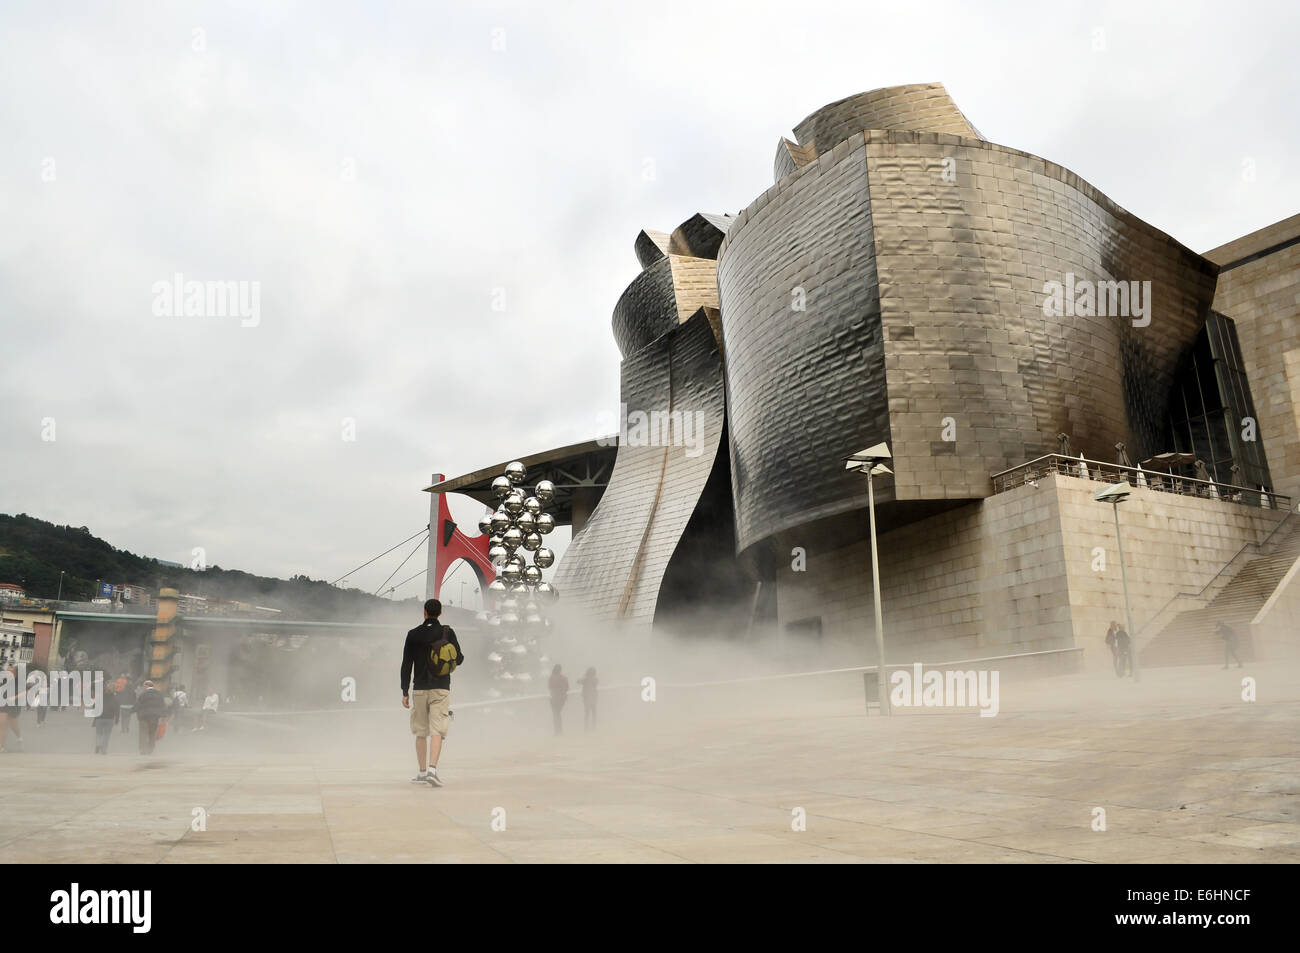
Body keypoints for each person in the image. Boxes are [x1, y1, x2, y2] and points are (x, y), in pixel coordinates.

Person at [400, 599, 464, 787]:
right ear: (440, 613)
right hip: (441, 687)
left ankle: (421, 773)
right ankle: (432, 771)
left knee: (421, 731)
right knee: (438, 729)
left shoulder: (413, 634)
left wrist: (405, 691)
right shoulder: (447, 632)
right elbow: (459, 659)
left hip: (419, 688)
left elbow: (406, 664)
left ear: (425, 612)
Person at [135, 680, 168, 755]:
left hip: (143, 717)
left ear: (146, 686)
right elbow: (163, 705)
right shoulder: (159, 694)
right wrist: (164, 715)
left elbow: (137, 705)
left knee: (143, 733)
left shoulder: (143, 694)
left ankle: (143, 749)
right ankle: (150, 749)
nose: (143, 688)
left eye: (144, 686)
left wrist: (132, 711)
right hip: (154, 717)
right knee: (152, 733)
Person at [93, 683, 121, 754]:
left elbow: (94, 706)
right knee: (107, 735)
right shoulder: (115, 699)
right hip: (109, 719)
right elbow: (117, 710)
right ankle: (104, 749)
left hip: (99, 718)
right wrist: (117, 720)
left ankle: (98, 744)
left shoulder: (100, 697)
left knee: (99, 733)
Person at [548, 664, 569, 736]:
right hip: (562, 698)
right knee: (558, 714)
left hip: (554, 698)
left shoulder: (552, 678)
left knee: (555, 714)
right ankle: (560, 730)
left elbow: (550, 687)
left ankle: (557, 731)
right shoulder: (564, 678)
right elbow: (567, 687)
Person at [577, 667, 598, 731]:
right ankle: (593, 727)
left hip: (586, 698)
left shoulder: (585, 679)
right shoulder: (595, 679)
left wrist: (584, 675)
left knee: (587, 713)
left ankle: (586, 728)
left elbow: (578, 681)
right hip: (593, 697)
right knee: (594, 713)